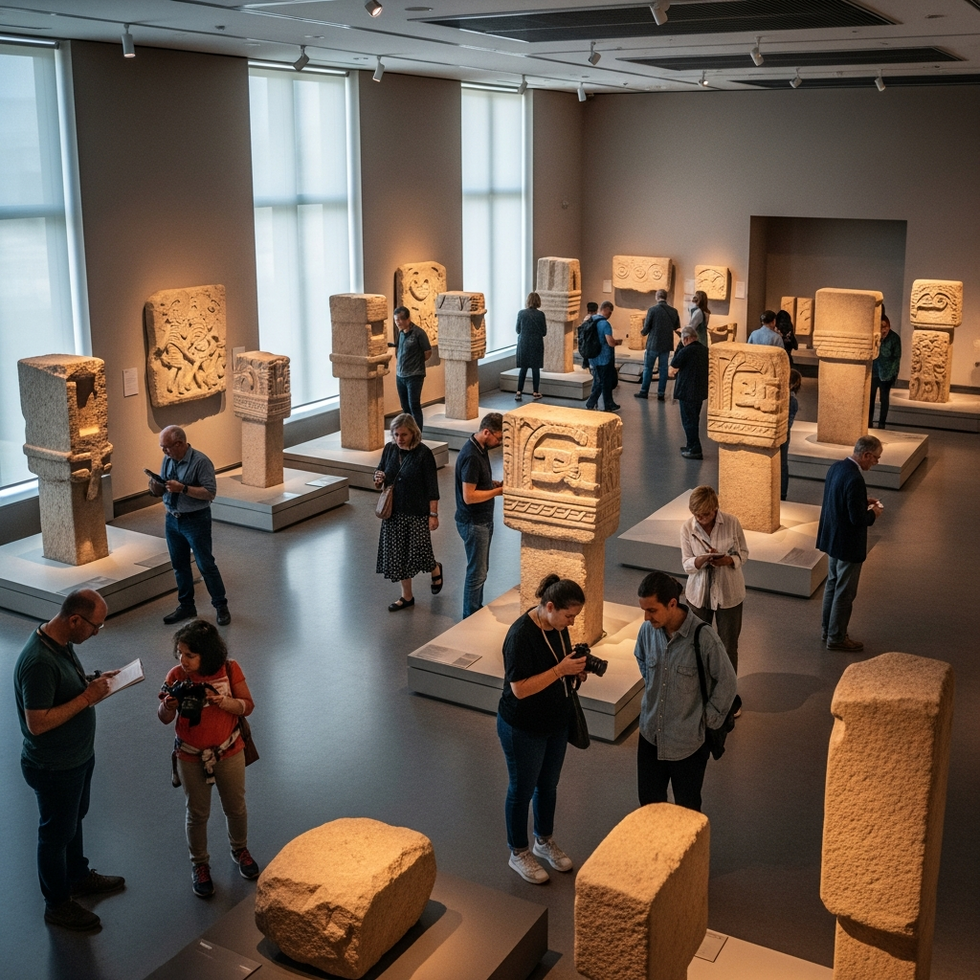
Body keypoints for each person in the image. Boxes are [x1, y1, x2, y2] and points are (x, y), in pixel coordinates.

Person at [14, 589, 125, 930]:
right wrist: (88, 697)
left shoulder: (60, 642)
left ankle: (77, 875)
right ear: (75, 619)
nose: (96, 632)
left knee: (74, 820)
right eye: (95, 626)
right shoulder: (39, 662)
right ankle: (57, 904)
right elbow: (38, 723)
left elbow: (63, 689)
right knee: (55, 835)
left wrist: (92, 683)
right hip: (54, 767)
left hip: (77, 758)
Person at [158, 619, 259, 898]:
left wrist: (224, 702)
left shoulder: (230, 669)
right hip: (190, 755)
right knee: (197, 813)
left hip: (229, 750)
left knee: (236, 807)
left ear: (208, 654)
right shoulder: (176, 675)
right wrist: (168, 706)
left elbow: (247, 706)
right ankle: (199, 864)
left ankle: (240, 849)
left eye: (190, 654)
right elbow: (163, 718)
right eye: (180, 652)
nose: (183, 660)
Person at [497, 575, 588, 884]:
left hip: (555, 722)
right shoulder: (520, 635)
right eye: (569, 615)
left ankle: (543, 840)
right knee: (521, 790)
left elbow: (558, 666)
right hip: (522, 726)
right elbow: (520, 689)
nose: (572, 622)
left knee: (548, 786)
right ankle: (518, 851)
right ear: (550, 607)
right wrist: (561, 670)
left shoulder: (557, 628)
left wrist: (574, 673)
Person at [634, 571, 737, 811]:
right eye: (644, 610)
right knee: (649, 808)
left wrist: (706, 720)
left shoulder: (704, 638)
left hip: (688, 745)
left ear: (672, 603)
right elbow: (641, 658)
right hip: (650, 737)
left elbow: (728, 682)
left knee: (687, 810)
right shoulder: (647, 630)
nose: (646, 617)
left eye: (652, 610)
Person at [149, 425, 230, 626]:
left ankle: (220, 606)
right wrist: (156, 488)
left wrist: (183, 489)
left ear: (179, 444)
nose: (164, 451)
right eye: (162, 447)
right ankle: (186, 606)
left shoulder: (201, 462)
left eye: (166, 447)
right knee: (179, 565)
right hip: (172, 519)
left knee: (205, 565)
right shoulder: (168, 460)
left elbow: (210, 493)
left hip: (195, 520)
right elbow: (164, 489)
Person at [816, 435, 884, 652]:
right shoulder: (855, 478)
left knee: (832, 585)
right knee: (845, 592)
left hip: (833, 539)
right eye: (875, 458)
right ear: (866, 454)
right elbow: (857, 519)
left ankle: (827, 631)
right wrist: (873, 513)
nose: (876, 462)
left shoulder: (836, 467)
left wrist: (862, 501)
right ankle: (836, 637)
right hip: (848, 544)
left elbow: (839, 501)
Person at [374, 413, 442, 611]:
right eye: (396, 434)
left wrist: (433, 515)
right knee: (398, 556)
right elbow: (380, 470)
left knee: (421, 552)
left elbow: (432, 488)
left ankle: (435, 569)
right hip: (394, 513)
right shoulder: (390, 449)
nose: (399, 439)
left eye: (403, 434)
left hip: (417, 513)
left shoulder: (424, 454)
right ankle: (407, 597)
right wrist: (378, 478)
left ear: (413, 433)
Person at [680, 486, 748, 675]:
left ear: (715, 509)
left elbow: (744, 553)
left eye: (705, 515)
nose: (700, 519)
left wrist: (728, 560)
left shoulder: (732, 522)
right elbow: (686, 564)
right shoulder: (687, 528)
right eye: (696, 515)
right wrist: (701, 560)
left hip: (729, 593)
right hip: (698, 595)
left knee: (728, 646)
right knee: (697, 644)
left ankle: (728, 687)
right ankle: (699, 685)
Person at [455, 413, 504, 618]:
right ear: (486, 432)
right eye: (498, 438)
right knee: (477, 573)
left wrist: (490, 484)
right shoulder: (472, 456)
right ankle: (470, 614)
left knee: (481, 570)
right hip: (474, 522)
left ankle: (475, 608)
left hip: (481, 521)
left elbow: (475, 483)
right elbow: (469, 496)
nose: (499, 443)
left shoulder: (480, 449)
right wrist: (498, 491)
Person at [669, 325, 709, 459]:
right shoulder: (705, 350)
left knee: (688, 421)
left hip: (687, 391)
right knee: (694, 419)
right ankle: (690, 445)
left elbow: (674, 365)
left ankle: (695, 449)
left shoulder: (685, 351)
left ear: (685, 339)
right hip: (699, 391)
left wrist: (680, 346)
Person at [389, 305, 432, 431]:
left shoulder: (419, 333)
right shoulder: (401, 333)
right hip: (400, 375)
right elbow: (399, 348)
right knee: (405, 406)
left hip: (414, 375)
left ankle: (417, 434)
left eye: (400, 319)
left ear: (408, 319)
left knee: (414, 405)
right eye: (396, 320)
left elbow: (428, 352)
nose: (398, 322)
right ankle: (408, 432)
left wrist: (415, 362)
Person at [636, 288, 680, 400]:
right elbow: (676, 327)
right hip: (666, 344)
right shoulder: (673, 311)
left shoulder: (652, 310)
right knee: (663, 369)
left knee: (648, 368)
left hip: (653, 343)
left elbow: (646, 327)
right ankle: (661, 393)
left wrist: (642, 332)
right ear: (666, 297)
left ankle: (644, 391)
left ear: (657, 297)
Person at [584, 301, 622, 412]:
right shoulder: (605, 324)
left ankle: (607, 403)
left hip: (593, 356)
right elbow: (610, 342)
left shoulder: (590, 320)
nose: (610, 315)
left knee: (600, 381)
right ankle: (593, 402)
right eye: (610, 312)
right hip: (604, 358)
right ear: (605, 309)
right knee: (603, 382)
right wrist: (617, 342)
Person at [869, 314, 901, 429]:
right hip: (874, 372)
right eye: (880, 327)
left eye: (885, 326)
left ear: (889, 326)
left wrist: (893, 374)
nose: (883, 330)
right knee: (870, 398)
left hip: (886, 374)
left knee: (884, 398)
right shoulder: (875, 337)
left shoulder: (894, 338)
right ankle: (868, 421)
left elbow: (896, 358)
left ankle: (882, 422)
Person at [514, 293, 547, 401]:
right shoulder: (541, 314)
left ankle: (519, 392)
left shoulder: (521, 313)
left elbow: (518, 330)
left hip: (524, 343)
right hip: (536, 343)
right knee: (535, 368)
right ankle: (535, 391)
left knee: (523, 368)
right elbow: (544, 332)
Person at [781, 369, 802, 501]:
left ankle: (782, 492)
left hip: (783, 434)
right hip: (782, 433)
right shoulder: (788, 398)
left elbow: (788, 422)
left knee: (782, 464)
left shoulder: (792, 400)